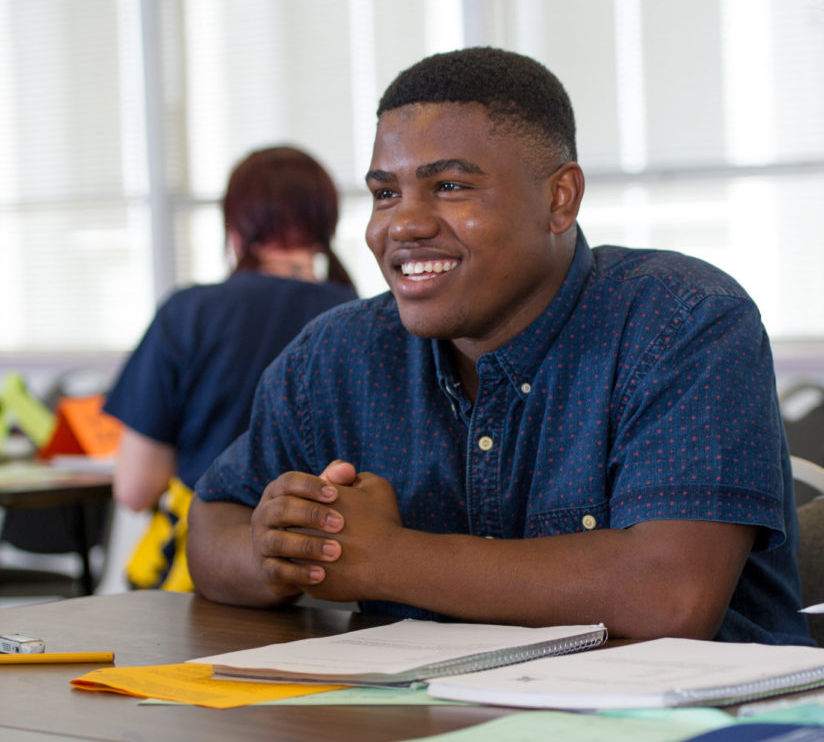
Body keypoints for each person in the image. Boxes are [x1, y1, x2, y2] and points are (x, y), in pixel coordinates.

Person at [187, 48, 811, 644]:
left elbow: (670, 595)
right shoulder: (336, 354)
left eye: (451, 187)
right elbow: (214, 522)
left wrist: (387, 559)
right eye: (385, 193)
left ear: (559, 198)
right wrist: (279, 554)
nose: (403, 223)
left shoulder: (682, 320)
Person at [104, 146, 358, 591]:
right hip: (329, 575)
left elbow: (135, 488)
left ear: (237, 223)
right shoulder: (363, 318)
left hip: (204, 576)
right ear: (326, 222)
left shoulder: (189, 313)